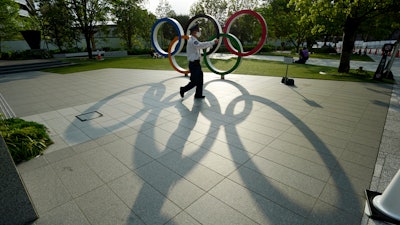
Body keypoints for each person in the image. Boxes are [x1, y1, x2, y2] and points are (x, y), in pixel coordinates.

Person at [180, 24, 219, 99]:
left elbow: (200, 45)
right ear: (194, 32)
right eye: (199, 31)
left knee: (200, 80)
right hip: (193, 64)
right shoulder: (192, 41)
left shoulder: (193, 39)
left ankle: (198, 94)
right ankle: (183, 89)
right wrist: (212, 42)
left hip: (196, 64)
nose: (200, 32)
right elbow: (201, 45)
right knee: (194, 81)